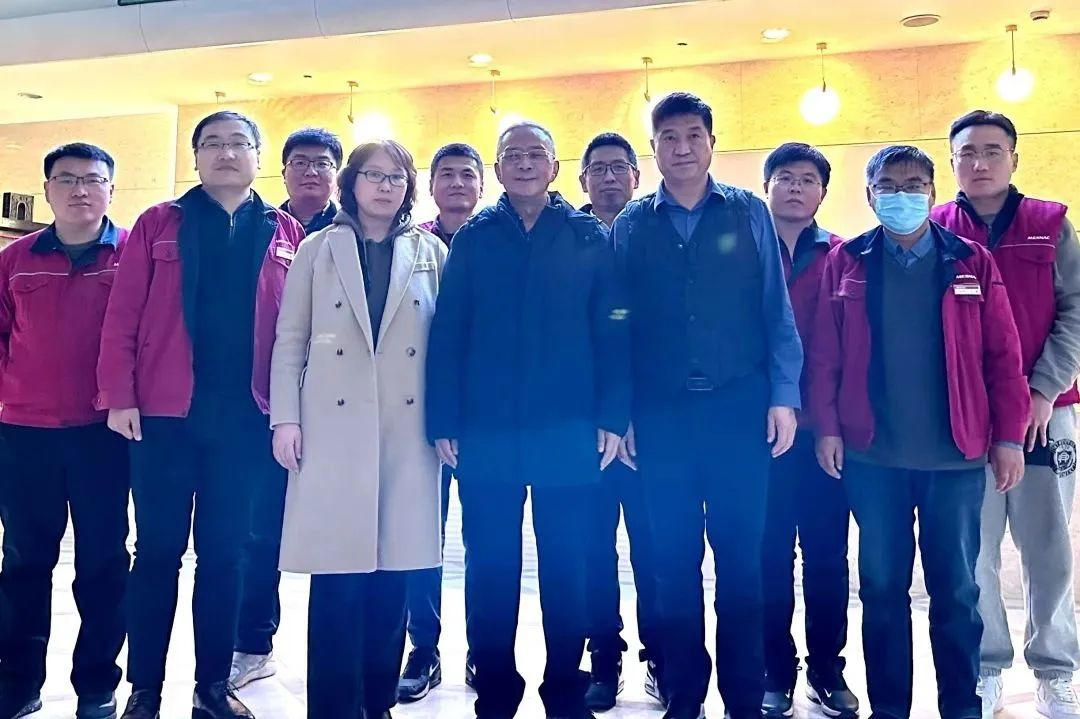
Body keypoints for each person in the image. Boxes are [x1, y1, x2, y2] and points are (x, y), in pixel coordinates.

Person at [97, 110, 305, 719]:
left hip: (245, 420)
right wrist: (119, 395)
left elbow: (298, 329)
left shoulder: (285, 230)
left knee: (226, 555)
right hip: (164, 416)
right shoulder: (160, 222)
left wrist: (291, 411)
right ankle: (144, 690)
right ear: (195, 158)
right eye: (211, 143)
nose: (225, 153)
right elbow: (123, 313)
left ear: (258, 157)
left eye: (238, 143)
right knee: (157, 553)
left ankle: (212, 687)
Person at [809, 145, 1028, 719]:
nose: (901, 195)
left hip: (955, 458)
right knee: (882, 591)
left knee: (956, 592)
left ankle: (961, 707)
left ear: (933, 194)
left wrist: (1008, 437)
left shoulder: (971, 260)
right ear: (869, 195)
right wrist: (827, 427)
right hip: (873, 457)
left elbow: (1004, 358)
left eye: (913, 185)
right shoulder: (847, 261)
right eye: (888, 185)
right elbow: (825, 354)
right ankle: (890, 709)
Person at [426, 121, 630, 719]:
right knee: (491, 565)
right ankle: (495, 689)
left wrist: (613, 414)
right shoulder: (475, 238)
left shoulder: (587, 234)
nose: (523, 164)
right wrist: (443, 418)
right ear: (497, 169)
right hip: (485, 430)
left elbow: (614, 325)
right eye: (511, 156)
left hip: (569, 427)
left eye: (535, 154)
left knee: (568, 563)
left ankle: (565, 686)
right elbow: (449, 330)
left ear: (555, 167)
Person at [610, 92, 802, 719]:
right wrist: (621, 410)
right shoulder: (632, 224)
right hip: (660, 416)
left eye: (694, 135)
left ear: (712, 143)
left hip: (739, 411)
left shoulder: (748, 213)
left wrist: (784, 395)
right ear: (654, 149)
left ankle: (743, 698)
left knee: (742, 563)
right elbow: (617, 321)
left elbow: (776, 310)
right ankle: (683, 694)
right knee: (671, 563)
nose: (683, 147)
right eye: (669, 137)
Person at [270, 140, 444, 719]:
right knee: (337, 577)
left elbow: (446, 347)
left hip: (406, 429)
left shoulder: (430, 251)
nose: (385, 186)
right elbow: (290, 339)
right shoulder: (317, 248)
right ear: (352, 182)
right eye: (374, 175)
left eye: (397, 177)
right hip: (332, 427)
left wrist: (448, 422)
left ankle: (377, 703)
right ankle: (332, 707)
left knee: (394, 574)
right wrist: (286, 418)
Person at [932, 110, 1080, 719]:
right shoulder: (936, 228)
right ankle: (987, 665)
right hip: (968, 419)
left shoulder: (1051, 225)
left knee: (1048, 548)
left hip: (1046, 413)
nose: (980, 163)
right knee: (975, 550)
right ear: (952, 163)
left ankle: (1056, 669)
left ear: (1014, 158)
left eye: (993, 151)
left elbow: (1075, 313)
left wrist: (1042, 391)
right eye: (967, 153)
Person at [0, 143, 129, 719]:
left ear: (110, 189)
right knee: (24, 563)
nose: (80, 190)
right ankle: (17, 684)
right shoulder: (15, 259)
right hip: (24, 433)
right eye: (67, 179)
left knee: (103, 563)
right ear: (48, 189)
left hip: (105, 434)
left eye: (93, 179)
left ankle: (97, 684)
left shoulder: (132, 254)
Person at [231, 126, 343, 691]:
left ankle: (340, 654)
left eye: (322, 163)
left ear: (337, 175)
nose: (311, 171)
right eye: (300, 162)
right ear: (283, 170)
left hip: (339, 404)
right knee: (260, 528)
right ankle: (254, 643)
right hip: (268, 401)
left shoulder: (355, 232)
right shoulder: (262, 229)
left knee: (340, 529)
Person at [758, 143, 858, 719]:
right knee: (768, 556)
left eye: (807, 180)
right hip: (761, 434)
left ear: (822, 192)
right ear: (767, 186)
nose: (795, 187)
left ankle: (827, 668)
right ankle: (775, 671)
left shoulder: (842, 255)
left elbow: (844, 347)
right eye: (785, 178)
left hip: (823, 432)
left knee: (825, 556)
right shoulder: (744, 249)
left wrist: (831, 423)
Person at [575, 131, 661, 713]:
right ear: (581, 180)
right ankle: (604, 658)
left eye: (618, 167)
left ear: (636, 175)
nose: (608, 177)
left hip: (653, 425)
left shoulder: (655, 233)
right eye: (597, 168)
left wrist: (630, 413)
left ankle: (661, 656)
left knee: (655, 548)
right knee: (591, 551)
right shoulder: (569, 238)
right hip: (586, 427)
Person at [399, 141, 484, 703]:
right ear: (430, 186)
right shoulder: (413, 247)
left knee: (484, 541)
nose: (457, 183)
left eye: (467, 174)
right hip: (417, 415)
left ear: (482, 184)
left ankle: (482, 648)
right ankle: (423, 648)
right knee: (421, 538)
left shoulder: (497, 241)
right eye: (446, 174)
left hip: (483, 420)